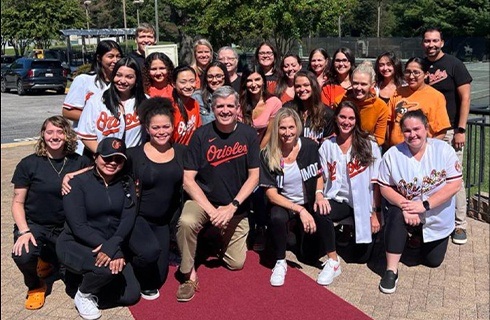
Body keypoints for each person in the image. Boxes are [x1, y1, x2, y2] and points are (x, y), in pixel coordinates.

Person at [175, 86, 260, 302]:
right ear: (212, 108)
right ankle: (188, 275)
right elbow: (188, 179)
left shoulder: (248, 134)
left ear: (237, 108)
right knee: (186, 221)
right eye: (220, 106)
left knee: (236, 264)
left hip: (235, 205)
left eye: (230, 106)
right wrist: (213, 212)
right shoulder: (201, 135)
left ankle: (211, 238)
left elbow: (254, 177)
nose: (225, 110)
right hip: (205, 201)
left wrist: (231, 207)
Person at [377, 110, 462, 294]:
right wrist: (405, 206)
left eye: (417, 129)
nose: (412, 134)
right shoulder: (393, 154)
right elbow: (384, 187)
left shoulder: (443, 150)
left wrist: (424, 205)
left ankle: (417, 238)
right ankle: (391, 270)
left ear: (426, 128)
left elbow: (455, 184)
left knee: (433, 261)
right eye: (407, 130)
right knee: (395, 214)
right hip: (406, 210)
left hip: (435, 214)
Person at [11, 116, 91, 310]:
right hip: (36, 224)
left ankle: (49, 260)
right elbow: (17, 202)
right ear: (43, 134)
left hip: (66, 226)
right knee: (23, 254)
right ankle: (35, 285)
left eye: (60, 132)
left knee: (75, 277)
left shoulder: (78, 162)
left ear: (67, 135)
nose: (55, 136)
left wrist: (73, 175)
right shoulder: (28, 164)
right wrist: (24, 231)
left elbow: (96, 171)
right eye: (50, 132)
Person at [57, 137, 140, 319]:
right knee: (108, 269)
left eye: (118, 159)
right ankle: (83, 293)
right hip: (76, 242)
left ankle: (83, 281)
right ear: (96, 157)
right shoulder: (77, 183)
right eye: (107, 157)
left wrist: (114, 245)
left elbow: (128, 219)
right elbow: (78, 226)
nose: (112, 163)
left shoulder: (127, 183)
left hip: (109, 243)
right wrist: (112, 251)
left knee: (132, 295)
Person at [259, 108, 329, 286]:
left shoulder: (310, 146)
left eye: (291, 127)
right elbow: (271, 194)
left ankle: (331, 259)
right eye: (282, 128)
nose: (287, 133)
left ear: (298, 127)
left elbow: (318, 174)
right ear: (276, 129)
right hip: (285, 205)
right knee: (276, 216)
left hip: (308, 202)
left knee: (309, 255)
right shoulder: (268, 154)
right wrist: (299, 210)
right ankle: (280, 261)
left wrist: (319, 194)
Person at [126, 98, 187, 300]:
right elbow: (105, 168)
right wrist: (74, 174)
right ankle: (128, 257)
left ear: (173, 126)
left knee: (159, 277)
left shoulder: (181, 152)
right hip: (138, 219)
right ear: (147, 128)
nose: (161, 131)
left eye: (166, 126)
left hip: (163, 223)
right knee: (148, 254)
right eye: (155, 127)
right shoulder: (134, 155)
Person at [318, 101, 382, 285]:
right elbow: (321, 175)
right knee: (321, 210)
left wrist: (375, 214)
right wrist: (319, 195)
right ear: (336, 118)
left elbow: (376, 183)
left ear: (357, 120)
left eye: (351, 118)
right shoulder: (327, 145)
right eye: (342, 117)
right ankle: (333, 260)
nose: (346, 122)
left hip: (365, 206)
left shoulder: (369, 144)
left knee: (359, 258)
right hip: (340, 200)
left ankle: (362, 233)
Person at [422, 27, 473, 245]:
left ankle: (460, 224)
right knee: (429, 177)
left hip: (450, 130)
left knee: (454, 178)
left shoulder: (454, 65)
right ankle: (431, 221)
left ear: (442, 42)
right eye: (427, 41)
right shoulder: (420, 65)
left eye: (435, 41)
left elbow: (466, 98)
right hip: (424, 133)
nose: (431, 44)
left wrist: (460, 129)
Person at [62, 40, 123, 155]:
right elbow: (67, 112)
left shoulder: (122, 83)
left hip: (114, 145)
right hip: (86, 146)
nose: (115, 60)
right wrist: (96, 118)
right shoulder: (84, 80)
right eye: (110, 56)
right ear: (99, 58)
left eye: (118, 56)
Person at [77, 57, 148, 153]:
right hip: (104, 161)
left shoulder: (146, 101)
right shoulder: (96, 101)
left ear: (136, 80)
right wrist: (103, 156)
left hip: (134, 161)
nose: (122, 81)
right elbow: (86, 135)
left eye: (129, 77)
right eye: (118, 75)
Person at [386, 57, 451, 148]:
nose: (411, 76)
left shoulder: (436, 97)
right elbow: (388, 122)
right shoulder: (398, 92)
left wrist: (427, 149)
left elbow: (441, 130)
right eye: (408, 72)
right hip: (397, 151)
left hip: (422, 152)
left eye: (416, 72)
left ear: (426, 74)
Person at [342, 62, 389, 146]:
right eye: (355, 83)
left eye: (363, 84)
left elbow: (380, 138)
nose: (358, 88)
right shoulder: (341, 102)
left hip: (367, 148)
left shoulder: (380, 107)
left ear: (372, 85)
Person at [283, 70, 335, 144]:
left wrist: (320, 142)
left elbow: (330, 142)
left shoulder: (327, 113)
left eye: (306, 85)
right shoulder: (288, 109)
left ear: (313, 86)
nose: (302, 89)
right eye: (298, 86)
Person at [239, 65, 282, 149]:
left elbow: (269, 133)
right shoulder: (238, 103)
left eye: (257, 79)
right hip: (242, 149)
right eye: (249, 81)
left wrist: (257, 153)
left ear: (263, 81)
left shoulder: (274, 102)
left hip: (264, 149)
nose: (253, 84)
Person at [192, 61, 231, 125]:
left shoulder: (233, 96)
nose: (214, 80)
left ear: (225, 76)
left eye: (218, 76)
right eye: (210, 77)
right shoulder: (197, 98)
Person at [171, 65, 202, 145]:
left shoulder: (195, 103)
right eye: (183, 82)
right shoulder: (169, 108)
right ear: (173, 84)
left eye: (192, 81)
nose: (188, 86)